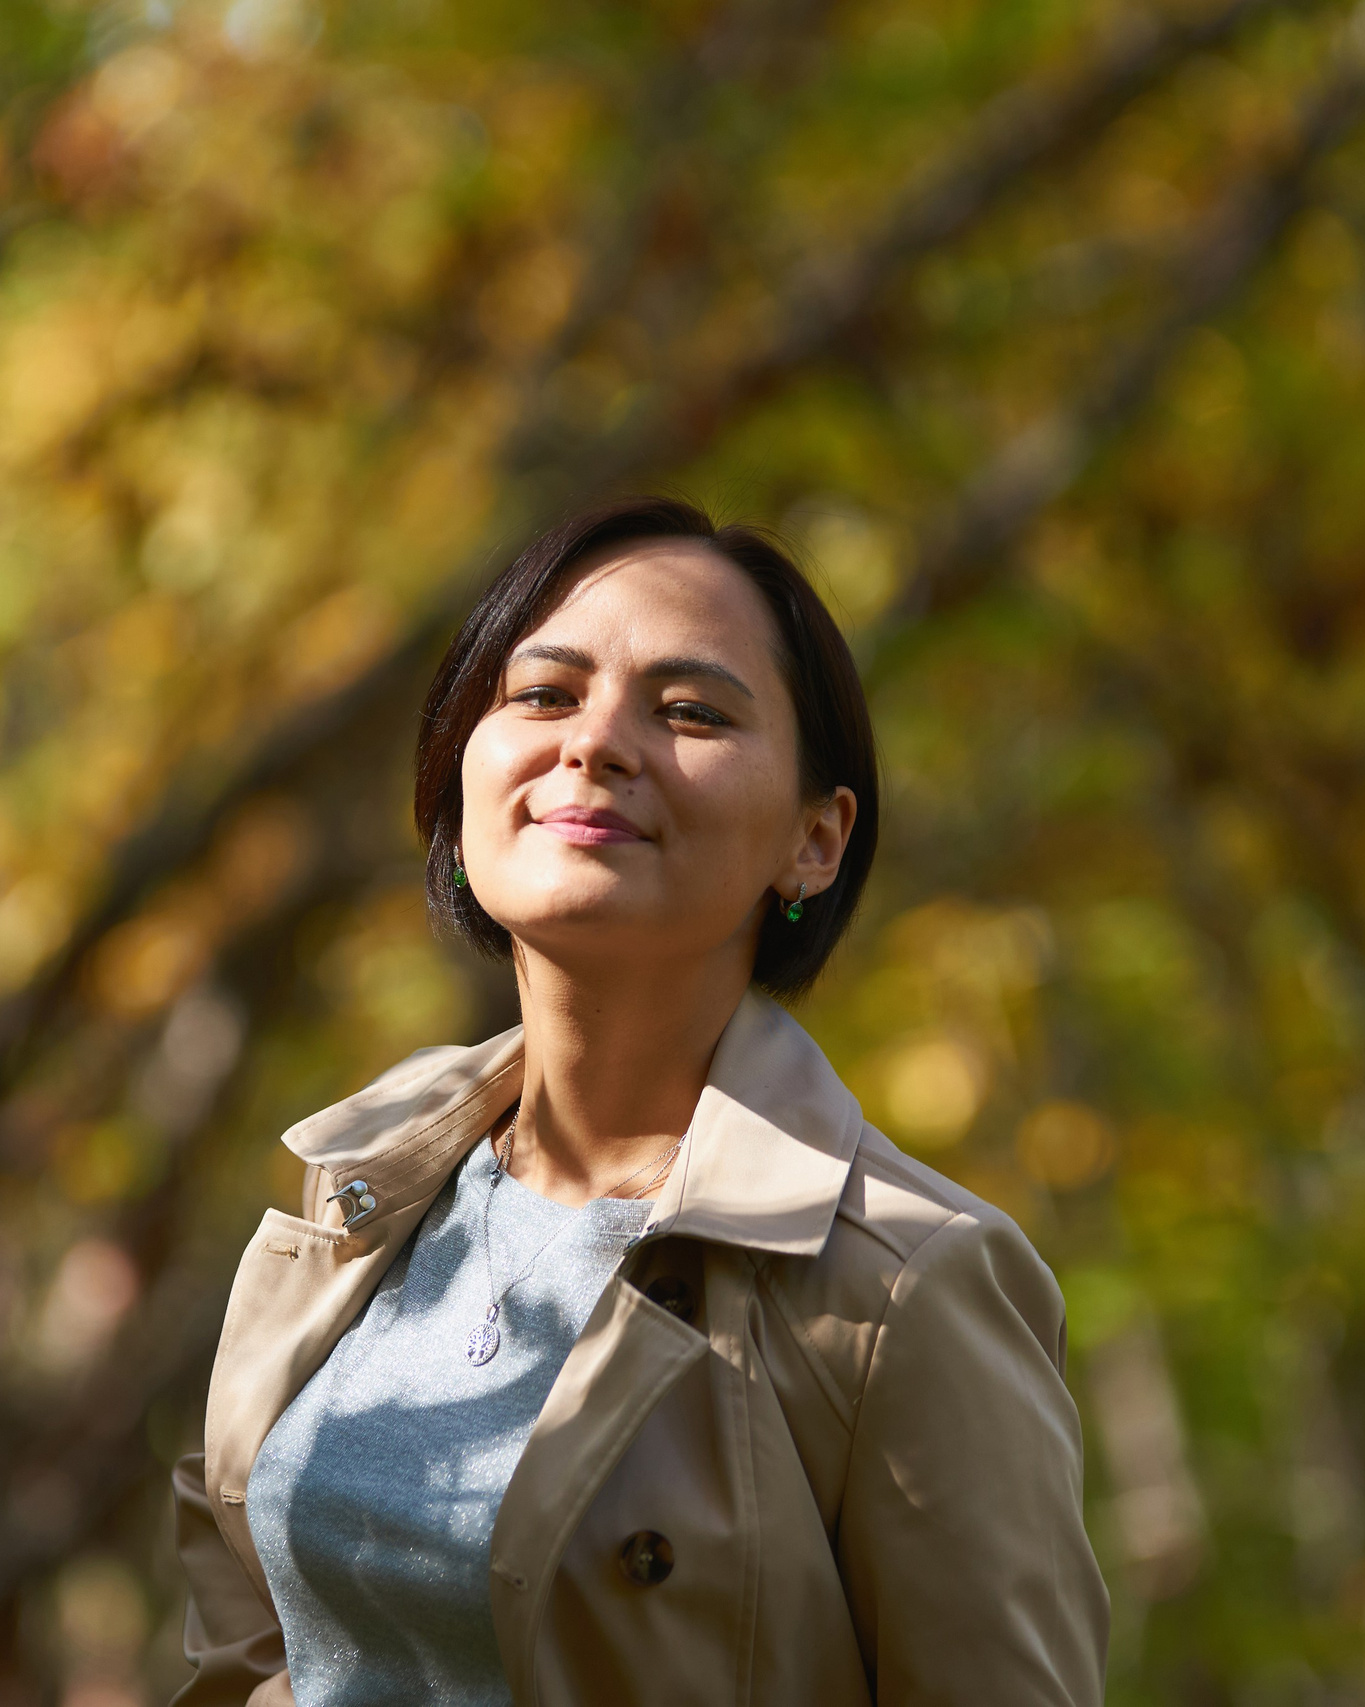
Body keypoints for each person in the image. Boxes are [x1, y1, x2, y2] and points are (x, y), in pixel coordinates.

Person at [170, 497, 1107, 1705]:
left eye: (692, 713)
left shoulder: (896, 1291)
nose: (596, 742)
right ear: (459, 786)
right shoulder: (364, 1180)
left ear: (814, 843)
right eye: (544, 695)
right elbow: (253, 1658)